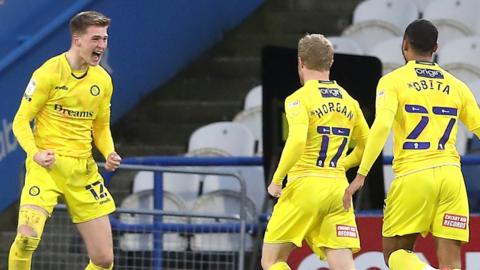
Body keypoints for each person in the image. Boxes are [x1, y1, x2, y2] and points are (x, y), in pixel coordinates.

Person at [343, 19, 480, 270]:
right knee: (451, 263)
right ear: (436, 47)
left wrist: (360, 174)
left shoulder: (393, 81)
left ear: (405, 44)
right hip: (451, 178)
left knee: (395, 253)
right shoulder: (457, 86)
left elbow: (382, 126)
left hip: (414, 175)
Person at [9, 11, 121, 270]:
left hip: (82, 170)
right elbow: (20, 121)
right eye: (96, 39)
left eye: (104, 39)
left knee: (104, 260)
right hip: (46, 166)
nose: (101, 46)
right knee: (27, 239)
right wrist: (35, 153)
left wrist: (109, 152)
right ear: (77, 39)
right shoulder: (48, 72)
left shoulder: (103, 81)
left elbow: (101, 126)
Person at [261, 34, 370, 270]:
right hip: (338, 191)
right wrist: (344, 164)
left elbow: (297, 140)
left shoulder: (298, 99)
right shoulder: (349, 101)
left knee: (272, 261)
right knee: (343, 266)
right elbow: (368, 144)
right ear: (330, 63)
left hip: (304, 186)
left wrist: (277, 180)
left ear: (301, 62)